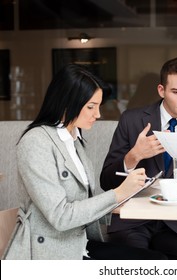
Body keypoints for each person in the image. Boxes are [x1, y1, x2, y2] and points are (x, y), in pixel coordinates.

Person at [2, 64, 167, 260]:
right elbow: (61, 217)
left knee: (158, 260)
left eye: (98, 106)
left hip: (80, 244)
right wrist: (118, 193)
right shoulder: (35, 142)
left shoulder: (74, 139)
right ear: (67, 102)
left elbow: (83, 206)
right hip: (50, 254)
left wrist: (132, 202)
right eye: (91, 107)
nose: (97, 114)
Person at [100, 57, 177, 260]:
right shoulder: (131, 120)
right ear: (161, 90)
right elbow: (106, 182)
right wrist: (134, 156)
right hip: (135, 219)